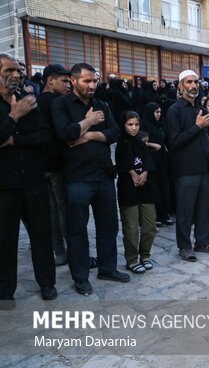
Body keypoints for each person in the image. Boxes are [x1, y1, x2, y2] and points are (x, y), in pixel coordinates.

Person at [52, 63, 130, 295]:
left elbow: (115, 133)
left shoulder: (102, 104)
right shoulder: (61, 104)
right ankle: (81, 277)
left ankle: (108, 268)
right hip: (77, 177)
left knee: (108, 226)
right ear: (74, 81)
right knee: (77, 230)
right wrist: (88, 122)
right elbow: (64, 134)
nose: (92, 85)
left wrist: (88, 136)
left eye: (94, 81)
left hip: (103, 175)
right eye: (87, 81)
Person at [0, 53, 57, 301]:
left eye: (18, 71)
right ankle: (5, 289)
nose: (15, 75)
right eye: (8, 71)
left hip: (34, 181)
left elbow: (45, 137)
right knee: (5, 240)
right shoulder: (18, 108)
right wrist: (13, 117)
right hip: (5, 185)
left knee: (42, 235)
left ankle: (47, 283)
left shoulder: (29, 101)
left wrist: (15, 139)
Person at [166, 69, 209, 262]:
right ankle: (185, 246)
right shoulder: (174, 111)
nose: (193, 86)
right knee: (185, 211)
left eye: (195, 82)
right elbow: (174, 142)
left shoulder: (201, 110)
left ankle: (202, 242)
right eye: (188, 82)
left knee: (205, 210)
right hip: (185, 169)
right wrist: (197, 126)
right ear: (180, 86)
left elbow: (206, 142)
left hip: (203, 169)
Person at [116, 111, 159, 273]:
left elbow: (148, 160)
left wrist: (145, 173)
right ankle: (132, 259)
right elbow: (123, 163)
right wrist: (134, 174)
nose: (134, 128)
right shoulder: (121, 143)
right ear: (124, 125)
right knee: (131, 227)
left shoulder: (141, 142)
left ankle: (145, 255)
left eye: (136, 124)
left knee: (150, 226)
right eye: (130, 124)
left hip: (146, 188)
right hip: (128, 189)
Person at [37, 64, 71, 266]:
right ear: (50, 80)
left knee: (52, 211)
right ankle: (73, 252)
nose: (68, 85)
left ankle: (60, 252)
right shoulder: (58, 102)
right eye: (64, 81)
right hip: (57, 165)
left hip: (42, 166)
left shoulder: (33, 102)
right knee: (64, 210)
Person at [141, 102, 173, 227]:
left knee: (163, 186)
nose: (159, 115)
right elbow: (142, 143)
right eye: (156, 112)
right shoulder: (145, 127)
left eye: (160, 112)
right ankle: (154, 216)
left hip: (162, 161)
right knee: (153, 187)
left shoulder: (160, 125)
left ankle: (164, 214)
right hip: (151, 161)